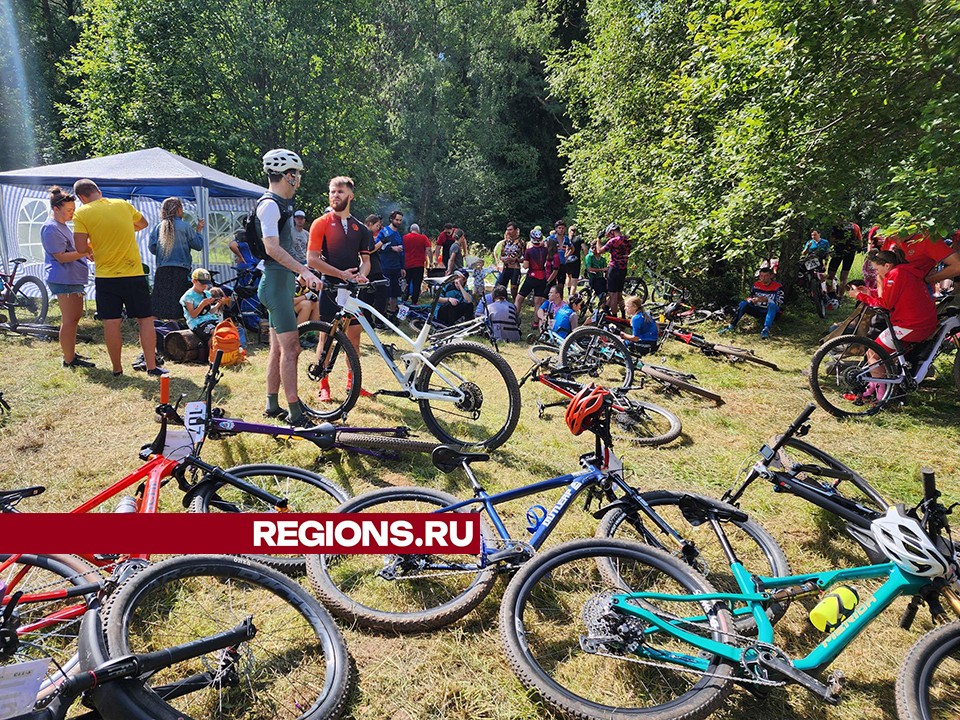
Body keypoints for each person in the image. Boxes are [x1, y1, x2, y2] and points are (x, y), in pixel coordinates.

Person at [72, 178, 166, 377]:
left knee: (111, 323)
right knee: (145, 320)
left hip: (106, 277)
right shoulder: (123, 204)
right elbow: (143, 223)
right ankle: (151, 366)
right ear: (98, 190)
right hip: (133, 273)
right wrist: (122, 230)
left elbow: (80, 248)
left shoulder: (81, 213)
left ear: (81, 197)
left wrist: (94, 242)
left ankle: (117, 369)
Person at [254, 148, 321, 426]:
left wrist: (301, 271)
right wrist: (303, 270)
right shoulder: (270, 205)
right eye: (297, 175)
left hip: (280, 283)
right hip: (275, 285)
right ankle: (295, 412)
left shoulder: (282, 204)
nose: (299, 180)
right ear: (288, 175)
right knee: (292, 349)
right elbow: (271, 248)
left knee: (279, 350)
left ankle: (272, 405)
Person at [307, 176, 372, 402]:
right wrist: (340, 274)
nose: (335, 195)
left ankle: (352, 384)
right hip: (331, 288)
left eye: (340, 192)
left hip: (352, 290)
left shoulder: (361, 228)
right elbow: (312, 259)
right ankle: (323, 384)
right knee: (326, 338)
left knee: (354, 340)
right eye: (332, 192)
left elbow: (366, 261)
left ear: (350, 196)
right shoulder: (321, 223)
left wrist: (361, 276)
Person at [845, 249, 938, 401]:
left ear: (887, 265)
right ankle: (874, 389)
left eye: (876, 269)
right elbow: (891, 296)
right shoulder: (905, 272)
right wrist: (870, 292)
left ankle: (880, 398)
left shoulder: (894, 275)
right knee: (882, 354)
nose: (876, 273)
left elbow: (886, 304)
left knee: (873, 353)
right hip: (921, 323)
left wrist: (860, 296)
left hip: (911, 325)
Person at [40, 186, 94, 369]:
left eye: (73, 210)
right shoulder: (50, 228)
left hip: (71, 278)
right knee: (70, 320)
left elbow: (71, 251)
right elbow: (61, 256)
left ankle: (70, 353)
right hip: (63, 279)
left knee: (72, 319)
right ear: (56, 208)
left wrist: (84, 254)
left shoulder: (61, 226)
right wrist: (84, 252)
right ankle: (69, 359)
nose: (73, 213)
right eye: (69, 210)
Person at [148, 196, 204, 320]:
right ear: (178, 209)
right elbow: (198, 245)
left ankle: (155, 330)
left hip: (163, 269)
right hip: (181, 270)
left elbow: (152, 248)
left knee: (159, 303)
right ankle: (173, 330)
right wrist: (199, 231)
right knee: (176, 303)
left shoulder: (158, 227)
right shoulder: (185, 227)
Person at [721, 266, 783, 339]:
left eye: (766, 276)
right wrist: (751, 300)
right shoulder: (756, 285)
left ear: (771, 276)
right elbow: (750, 297)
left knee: (772, 306)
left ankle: (766, 329)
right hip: (757, 309)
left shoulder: (778, 286)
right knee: (743, 304)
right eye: (761, 276)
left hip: (772, 311)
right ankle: (731, 326)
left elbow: (779, 303)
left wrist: (767, 300)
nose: (763, 278)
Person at [180, 268, 231, 344]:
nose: (204, 286)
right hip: (196, 322)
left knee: (226, 329)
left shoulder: (207, 293)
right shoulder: (188, 296)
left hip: (210, 319)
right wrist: (202, 304)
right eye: (202, 284)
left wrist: (218, 304)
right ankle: (212, 353)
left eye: (206, 284)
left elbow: (210, 311)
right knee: (215, 332)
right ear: (194, 281)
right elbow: (193, 315)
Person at [515, 228, 549, 323]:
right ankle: (535, 322)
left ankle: (514, 318)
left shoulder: (529, 251)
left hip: (532, 276)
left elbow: (525, 266)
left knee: (519, 298)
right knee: (537, 302)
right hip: (542, 277)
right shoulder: (545, 250)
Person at [377, 210, 405, 317]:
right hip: (385, 266)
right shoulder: (384, 232)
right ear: (391, 219)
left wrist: (403, 267)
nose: (398, 222)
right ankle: (383, 315)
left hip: (396, 267)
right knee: (385, 293)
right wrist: (392, 248)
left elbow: (402, 252)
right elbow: (378, 247)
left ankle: (393, 314)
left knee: (396, 293)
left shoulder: (398, 235)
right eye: (397, 220)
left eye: (400, 220)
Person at [599, 222, 631, 317]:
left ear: (612, 232)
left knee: (613, 295)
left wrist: (598, 239)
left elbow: (599, 250)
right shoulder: (627, 240)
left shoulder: (613, 241)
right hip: (623, 269)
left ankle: (614, 317)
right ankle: (624, 315)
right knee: (619, 294)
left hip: (614, 268)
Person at [826, 223, 861, 303]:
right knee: (844, 276)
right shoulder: (855, 226)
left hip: (838, 251)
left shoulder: (836, 225)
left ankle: (829, 295)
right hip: (850, 253)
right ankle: (840, 296)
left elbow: (832, 239)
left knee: (830, 275)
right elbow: (860, 241)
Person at [363, 214, 388, 324]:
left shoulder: (362, 232)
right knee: (381, 295)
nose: (378, 228)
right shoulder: (367, 232)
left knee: (368, 295)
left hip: (368, 268)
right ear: (370, 224)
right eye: (377, 225)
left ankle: (367, 319)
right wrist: (382, 242)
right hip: (373, 268)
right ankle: (379, 320)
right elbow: (369, 250)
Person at [402, 222, 431, 303]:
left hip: (407, 265)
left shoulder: (404, 238)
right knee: (417, 284)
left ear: (410, 230)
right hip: (419, 265)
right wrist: (431, 261)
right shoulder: (423, 238)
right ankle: (414, 301)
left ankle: (404, 298)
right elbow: (428, 250)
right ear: (418, 230)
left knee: (406, 283)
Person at [497, 221, 523, 296]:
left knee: (514, 289)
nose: (509, 232)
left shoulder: (521, 242)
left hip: (515, 268)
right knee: (500, 288)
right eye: (507, 230)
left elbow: (525, 258)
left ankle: (515, 305)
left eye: (510, 230)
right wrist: (503, 259)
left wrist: (515, 260)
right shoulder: (505, 242)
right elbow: (501, 256)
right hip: (506, 268)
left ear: (515, 230)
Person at [564, 224, 584, 297]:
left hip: (567, 260)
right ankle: (571, 297)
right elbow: (584, 249)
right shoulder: (579, 239)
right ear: (575, 232)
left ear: (569, 231)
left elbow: (565, 249)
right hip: (576, 260)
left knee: (568, 276)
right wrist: (585, 257)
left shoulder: (566, 239)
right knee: (574, 280)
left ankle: (569, 292)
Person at [549, 221, 568, 294]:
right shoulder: (551, 238)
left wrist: (567, 256)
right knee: (552, 282)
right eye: (559, 228)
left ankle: (560, 298)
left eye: (563, 228)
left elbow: (572, 248)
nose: (561, 230)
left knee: (561, 284)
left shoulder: (566, 239)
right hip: (553, 263)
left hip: (562, 263)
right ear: (556, 229)